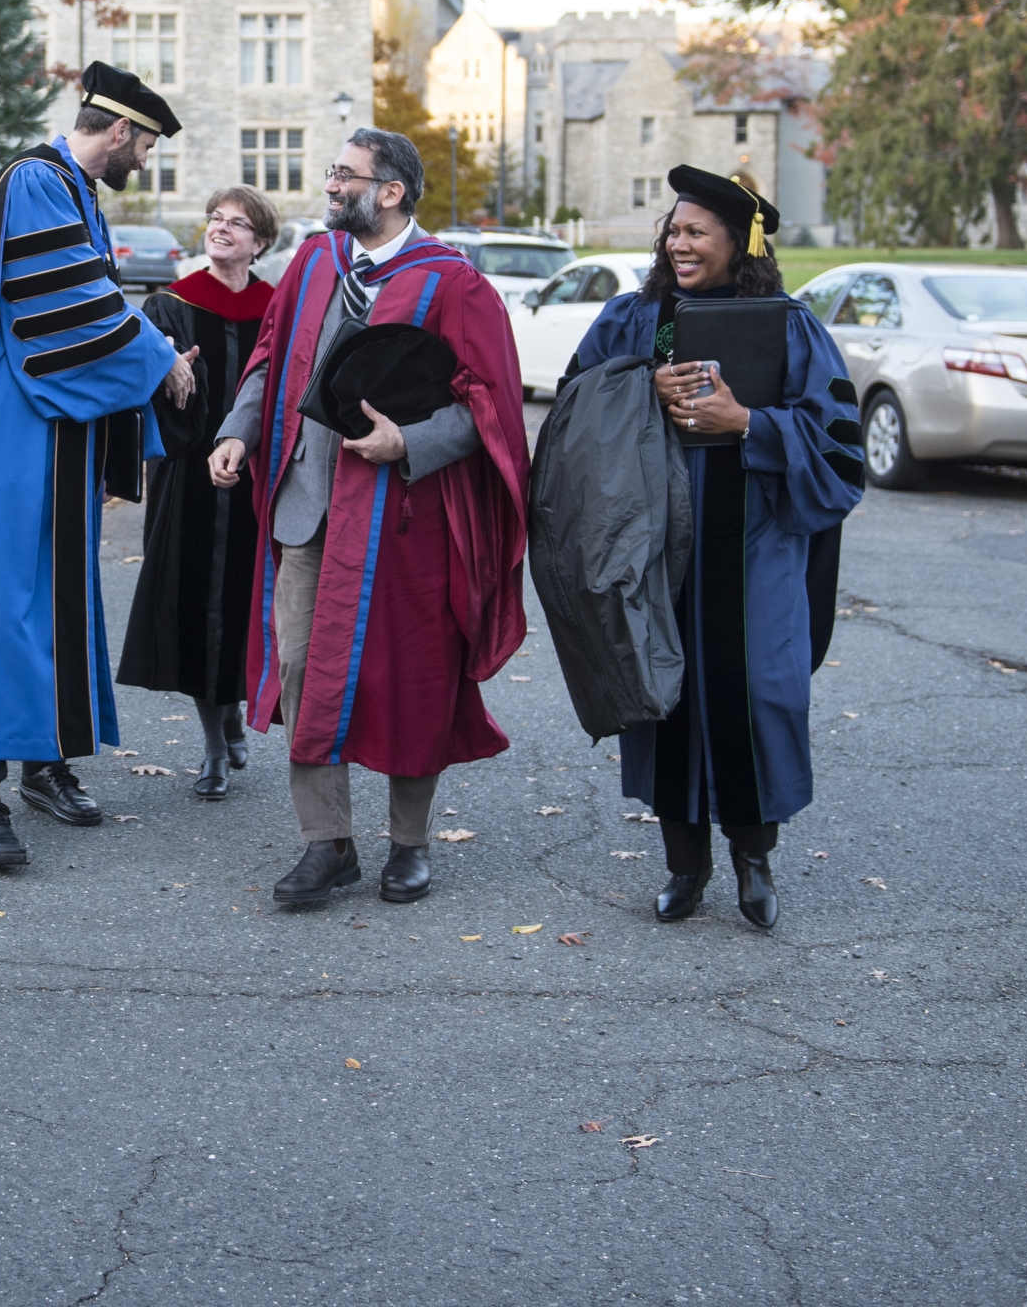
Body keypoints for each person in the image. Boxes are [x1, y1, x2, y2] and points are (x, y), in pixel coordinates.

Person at [209, 128, 531, 909]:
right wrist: (238, 430)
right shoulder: (317, 264)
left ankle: (410, 845)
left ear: (389, 192)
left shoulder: (452, 284)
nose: (330, 186)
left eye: (345, 176)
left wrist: (409, 441)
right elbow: (273, 355)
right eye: (331, 173)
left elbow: (491, 406)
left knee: (411, 678)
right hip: (308, 510)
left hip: (402, 521)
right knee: (300, 673)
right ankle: (328, 845)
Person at [0, 62, 196, 869]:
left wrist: (147, 353)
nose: (144, 159)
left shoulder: (77, 193)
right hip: (13, 431)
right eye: (143, 144)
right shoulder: (37, 180)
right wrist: (159, 358)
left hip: (56, 430)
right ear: (119, 131)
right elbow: (72, 304)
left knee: (60, 604)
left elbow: (88, 305)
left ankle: (46, 762)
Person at [564, 166, 863, 929]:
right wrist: (643, 391)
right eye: (674, 229)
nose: (678, 241)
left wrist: (751, 426)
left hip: (753, 550)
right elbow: (572, 404)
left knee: (758, 696)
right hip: (652, 548)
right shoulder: (642, 319)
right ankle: (684, 867)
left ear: (741, 242)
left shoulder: (787, 325)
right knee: (661, 698)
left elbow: (839, 451)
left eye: (697, 231)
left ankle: (753, 861)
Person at [117, 184, 278, 798]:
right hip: (188, 477)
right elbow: (141, 390)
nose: (222, 229)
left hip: (260, 477)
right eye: (215, 219)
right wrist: (162, 365)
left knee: (243, 598)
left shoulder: (277, 307)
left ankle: (233, 710)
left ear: (259, 242)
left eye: (237, 223)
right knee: (194, 601)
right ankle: (213, 745)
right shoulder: (170, 306)